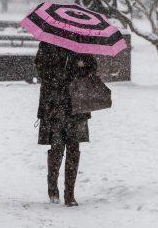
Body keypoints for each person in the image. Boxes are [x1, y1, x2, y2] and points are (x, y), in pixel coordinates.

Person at [35, 41, 98, 207]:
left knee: (74, 147)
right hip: (54, 104)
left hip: (76, 104)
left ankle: (69, 192)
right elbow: (41, 70)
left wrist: (80, 67)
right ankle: (52, 187)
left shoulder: (81, 44)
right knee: (57, 146)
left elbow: (92, 68)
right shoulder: (47, 44)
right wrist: (59, 73)